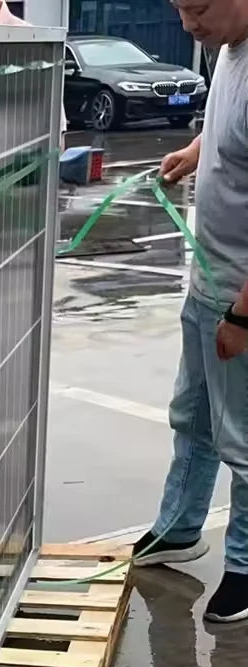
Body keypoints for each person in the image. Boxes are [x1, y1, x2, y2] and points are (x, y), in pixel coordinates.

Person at [133, 0, 248, 623]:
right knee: (194, 415)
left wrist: (243, 318)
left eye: (199, 6)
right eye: (179, 8)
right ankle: (179, 528)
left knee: (243, 438)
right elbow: (233, 129)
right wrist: (198, 150)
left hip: (240, 296)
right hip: (209, 276)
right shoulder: (227, 49)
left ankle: (246, 565)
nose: (188, 25)